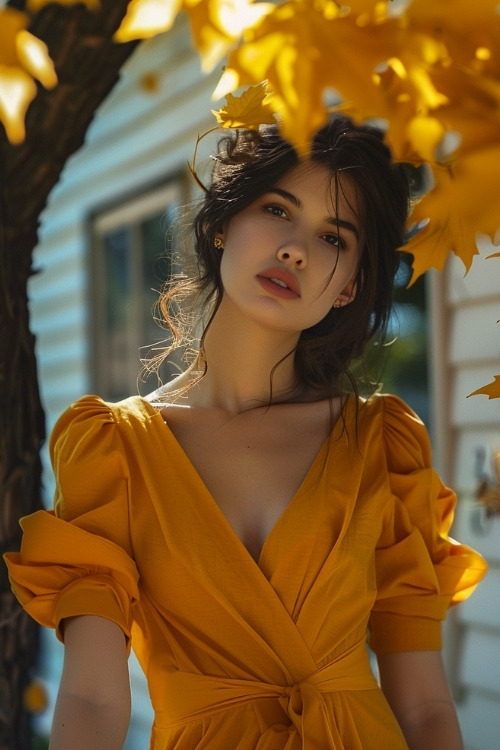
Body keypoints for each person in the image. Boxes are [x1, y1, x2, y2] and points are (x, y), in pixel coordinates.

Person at [5, 114, 487, 750]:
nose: (296, 249)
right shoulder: (114, 449)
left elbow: (424, 707)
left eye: (334, 238)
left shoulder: (382, 445)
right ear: (223, 223)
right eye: (277, 209)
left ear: (348, 289)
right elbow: (93, 700)